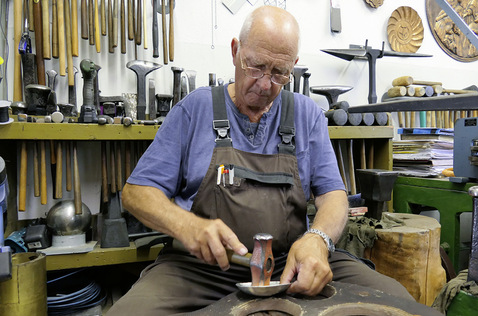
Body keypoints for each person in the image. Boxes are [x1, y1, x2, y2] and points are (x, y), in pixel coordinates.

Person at [108, 5, 413, 315]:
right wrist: (186, 225)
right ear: (235, 51)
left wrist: (317, 240)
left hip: (288, 266)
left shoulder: (308, 116)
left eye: (280, 73)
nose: (266, 84)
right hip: (202, 270)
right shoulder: (195, 109)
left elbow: (333, 195)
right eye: (255, 66)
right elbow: (136, 193)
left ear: (293, 66)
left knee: (395, 300)